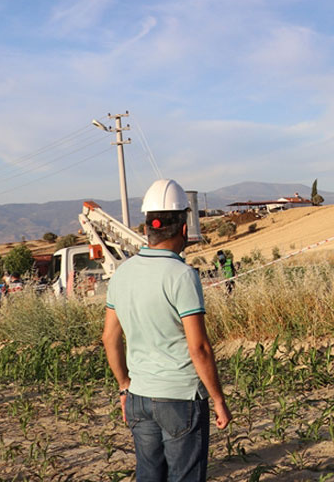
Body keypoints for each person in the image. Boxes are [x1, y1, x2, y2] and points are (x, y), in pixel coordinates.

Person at [102, 178, 230, 482]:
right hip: (180, 398)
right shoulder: (182, 275)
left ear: (148, 227)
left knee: (149, 475)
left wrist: (124, 386)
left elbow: (109, 338)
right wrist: (218, 399)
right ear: (184, 228)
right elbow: (198, 348)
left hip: (138, 397)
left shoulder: (122, 274)